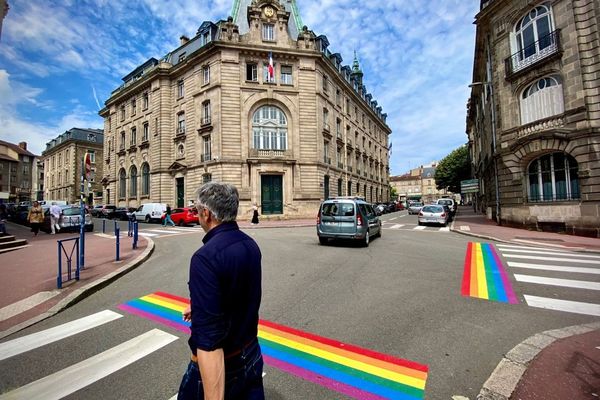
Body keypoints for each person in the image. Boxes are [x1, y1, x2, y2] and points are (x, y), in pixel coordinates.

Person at [178, 182, 264, 400]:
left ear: (206, 214)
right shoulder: (250, 244)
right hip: (251, 353)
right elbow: (239, 293)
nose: (196, 215)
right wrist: (200, 306)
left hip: (225, 364)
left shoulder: (204, 258)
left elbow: (209, 342)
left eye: (197, 211)